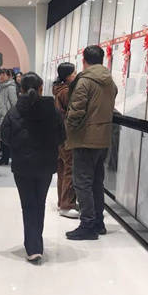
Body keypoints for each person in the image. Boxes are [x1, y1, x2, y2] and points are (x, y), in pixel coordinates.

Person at [1, 72, 65, 264]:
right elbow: (62, 136)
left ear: (20, 90)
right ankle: (36, 243)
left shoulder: (15, 111)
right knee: (40, 202)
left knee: (28, 204)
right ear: (41, 89)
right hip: (45, 165)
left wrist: (19, 146)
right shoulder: (52, 110)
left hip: (22, 165)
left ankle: (33, 247)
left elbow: (5, 136)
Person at [64, 45, 118, 240]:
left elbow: (76, 111)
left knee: (82, 183)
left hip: (85, 139)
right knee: (96, 182)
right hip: (103, 138)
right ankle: (98, 223)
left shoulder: (85, 81)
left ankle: (87, 225)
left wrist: (69, 128)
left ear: (84, 60)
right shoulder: (110, 82)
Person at [52, 62, 79, 219]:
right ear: (68, 76)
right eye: (74, 73)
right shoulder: (67, 92)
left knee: (62, 167)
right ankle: (67, 205)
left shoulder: (58, 89)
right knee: (69, 167)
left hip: (60, 134)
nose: (76, 75)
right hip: (68, 134)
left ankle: (62, 201)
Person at [0, 69, 17, 165]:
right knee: (2, 138)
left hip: (7, 117)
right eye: (0, 75)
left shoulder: (10, 87)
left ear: (9, 76)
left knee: (7, 139)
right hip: (1, 115)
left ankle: (6, 158)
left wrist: (12, 117)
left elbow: (14, 103)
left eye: (3, 74)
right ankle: (4, 158)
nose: (1, 77)